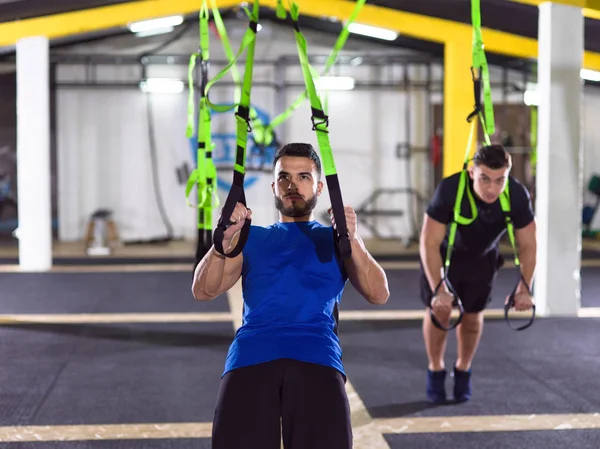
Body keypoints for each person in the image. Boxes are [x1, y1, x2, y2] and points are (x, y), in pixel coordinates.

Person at [192, 142, 390, 449]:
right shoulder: (251, 237)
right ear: (273, 186)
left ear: (319, 187)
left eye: (303, 177)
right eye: (284, 177)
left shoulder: (335, 241)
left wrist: (355, 239)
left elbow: (379, 294)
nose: (292, 185)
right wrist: (223, 240)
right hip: (251, 356)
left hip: (317, 357)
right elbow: (203, 290)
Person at [419, 144, 536, 404]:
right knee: (440, 311)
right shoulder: (450, 189)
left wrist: (525, 287)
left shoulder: (516, 195)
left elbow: (528, 244)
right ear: (472, 172)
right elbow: (428, 242)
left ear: (508, 175)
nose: (492, 188)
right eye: (485, 179)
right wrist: (439, 288)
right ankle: (435, 368)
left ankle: (463, 368)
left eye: (499, 180)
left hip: (482, 259)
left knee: (472, 318)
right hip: (444, 258)